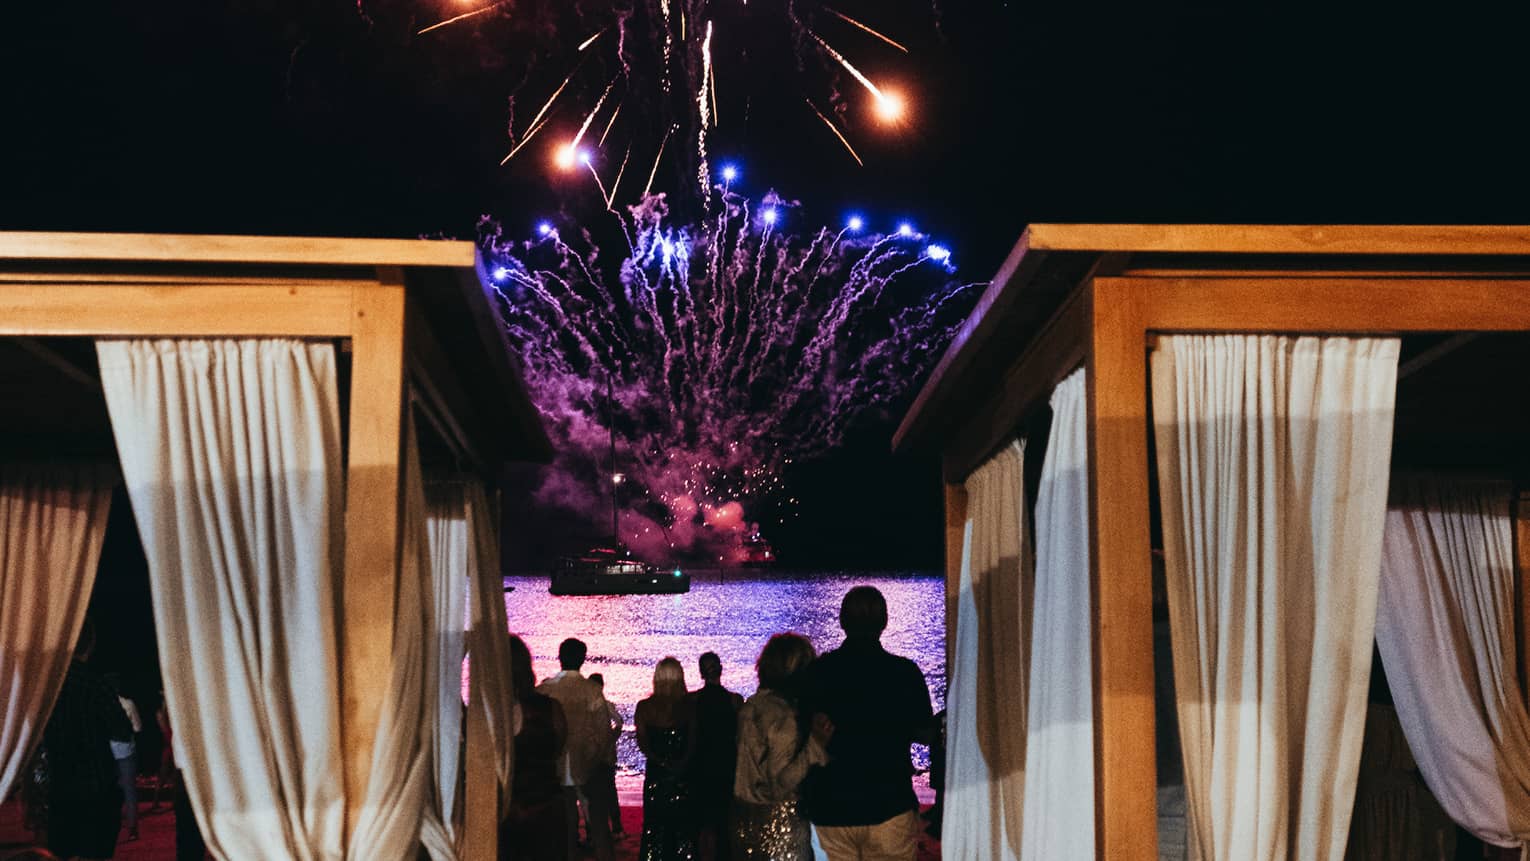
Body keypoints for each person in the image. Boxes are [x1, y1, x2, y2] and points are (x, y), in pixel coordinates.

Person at [800, 586, 933, 861]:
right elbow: (924, 732)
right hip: (889, 802)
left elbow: (803, 731)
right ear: (884, 622)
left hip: (832, 805)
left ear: (842, 621)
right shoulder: (904, 673)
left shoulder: (819, 672)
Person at [732, 634, 829, 861]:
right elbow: (781, 783)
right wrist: (815, 745)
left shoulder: (751, 707)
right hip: (780, 824)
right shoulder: (783, 717)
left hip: (744, 819)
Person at [42, 621, 132, 861]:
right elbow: (123, 735)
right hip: (97, 793)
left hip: (60, 792)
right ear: (90, 644)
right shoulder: (96, 685)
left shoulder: (45, 689)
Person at [537, 638, 616, 861]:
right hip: (587, 764)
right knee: (598, 826)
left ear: (560, 657)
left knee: (563, 826)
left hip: (554, 764)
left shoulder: (545, 689)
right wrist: (597, 759)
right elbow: (603, 732)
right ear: (583, 659)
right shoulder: (591, 691)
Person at [501, 634, 568, 860]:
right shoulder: (552, 709)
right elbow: (557, 749)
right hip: (547, 808)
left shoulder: (489, 715)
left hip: (510, 813)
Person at [635, 657, 696, 860]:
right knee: (682, 829)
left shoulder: (644, 707)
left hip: (656, 774)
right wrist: (681, 765)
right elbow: (692, 743)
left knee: (655, 827)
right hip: (684, 773)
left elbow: (643, 743)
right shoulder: (689, 706)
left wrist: (660, 762)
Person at [687, 652, 743, 860]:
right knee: (723, 822)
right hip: (725, 765)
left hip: (700, 765)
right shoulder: (735, 700)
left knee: (701, 823)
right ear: (721, 669)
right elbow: (740, 737)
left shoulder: (692, 700)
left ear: (701, 673)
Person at [103, 674, 142, 842]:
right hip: (126, 752)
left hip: (107, 753)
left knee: (109, 792)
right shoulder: (128, 704)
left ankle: (110, 826)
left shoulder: (102, 705)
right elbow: (138, 728)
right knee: (129, 791)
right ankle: (132, 828)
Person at [589, 673, 625, 840]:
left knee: (595, 792)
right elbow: (618, 722)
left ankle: (595, 831)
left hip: (595, 754)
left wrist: (612, 738)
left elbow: (618, 723)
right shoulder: (606, 704)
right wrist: (612, 738)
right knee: (609, 790)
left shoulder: (595, 705)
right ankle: (616, 827)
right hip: (606, 754)